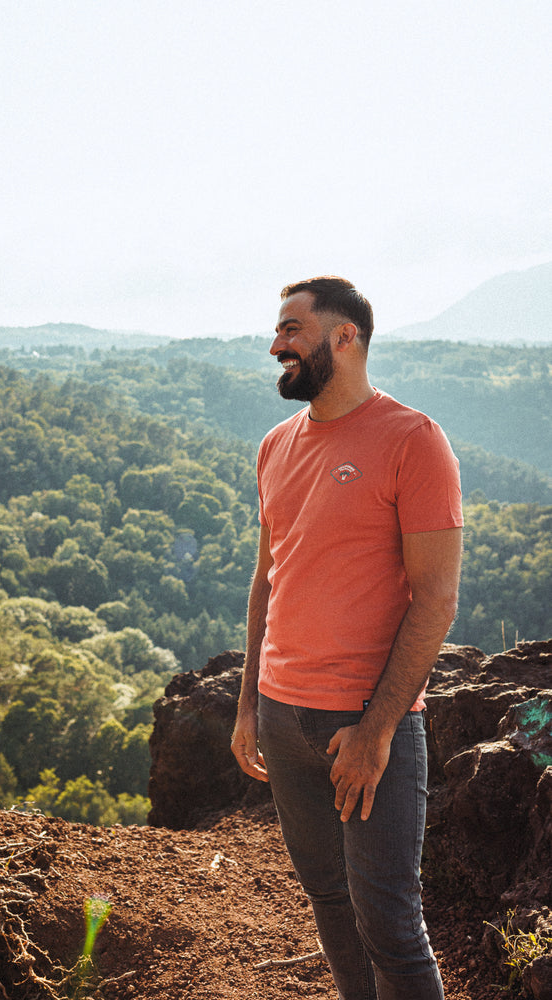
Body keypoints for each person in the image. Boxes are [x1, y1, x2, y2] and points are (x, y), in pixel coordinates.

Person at [231, 276, 463, 1000]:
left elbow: (435, 599)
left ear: (345, 337)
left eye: (291, 331)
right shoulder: (275, 445)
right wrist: (246, 706)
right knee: (329, 905)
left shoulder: (412, 440)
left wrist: (378, 727)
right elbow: (268, 578)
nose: (276, 346)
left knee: (390, 924)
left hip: (364, 725)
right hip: (281, 713)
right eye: (277, 332)